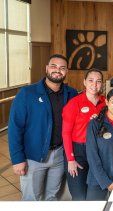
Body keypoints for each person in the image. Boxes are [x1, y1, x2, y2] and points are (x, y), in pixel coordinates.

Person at [8, 54, 78, 200]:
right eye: (54, 66)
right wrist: (17, 159)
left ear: (66, 72)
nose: (57, 70)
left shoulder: (71, 93)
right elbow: (15, 128)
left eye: (62, 68)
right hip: (33, 157)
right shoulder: (27, 93)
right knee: (32, 199)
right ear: (47, 68)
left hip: (59, 155)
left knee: (52, 197)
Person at [62, 69, 105, 200]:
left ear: (102, 84)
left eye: (98, 81)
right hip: (78, 151)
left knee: (97, 195)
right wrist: (70, 159)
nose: (94, 84)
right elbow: (66, 133)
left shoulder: (106, 103)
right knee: (79, 196)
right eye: (91, 80)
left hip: (98, 151)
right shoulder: (74, 103)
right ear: (84, 82)